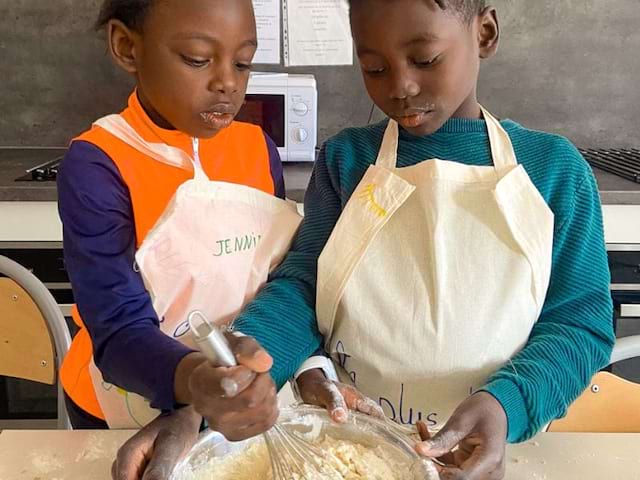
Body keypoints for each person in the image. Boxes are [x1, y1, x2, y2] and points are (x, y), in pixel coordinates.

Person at [114, 0, 615, 478]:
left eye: (425, 59)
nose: (401, 86)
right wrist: (219, 391)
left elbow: (580, 323)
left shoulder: (553, 171)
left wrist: (508, 405)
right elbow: (303, 291)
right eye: (374, 68)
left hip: (502, 450)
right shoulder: (348, 162)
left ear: (484, 33)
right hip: (353, 444)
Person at [58, 0, 297, 443]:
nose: (227, 82)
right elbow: (117, 325)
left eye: (243, 63)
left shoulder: (256, 148)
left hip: (239, 392)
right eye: (197, 59)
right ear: (127, 47)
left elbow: (278, 277)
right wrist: (195, 383)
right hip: (123, 398)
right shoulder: (99, 162)